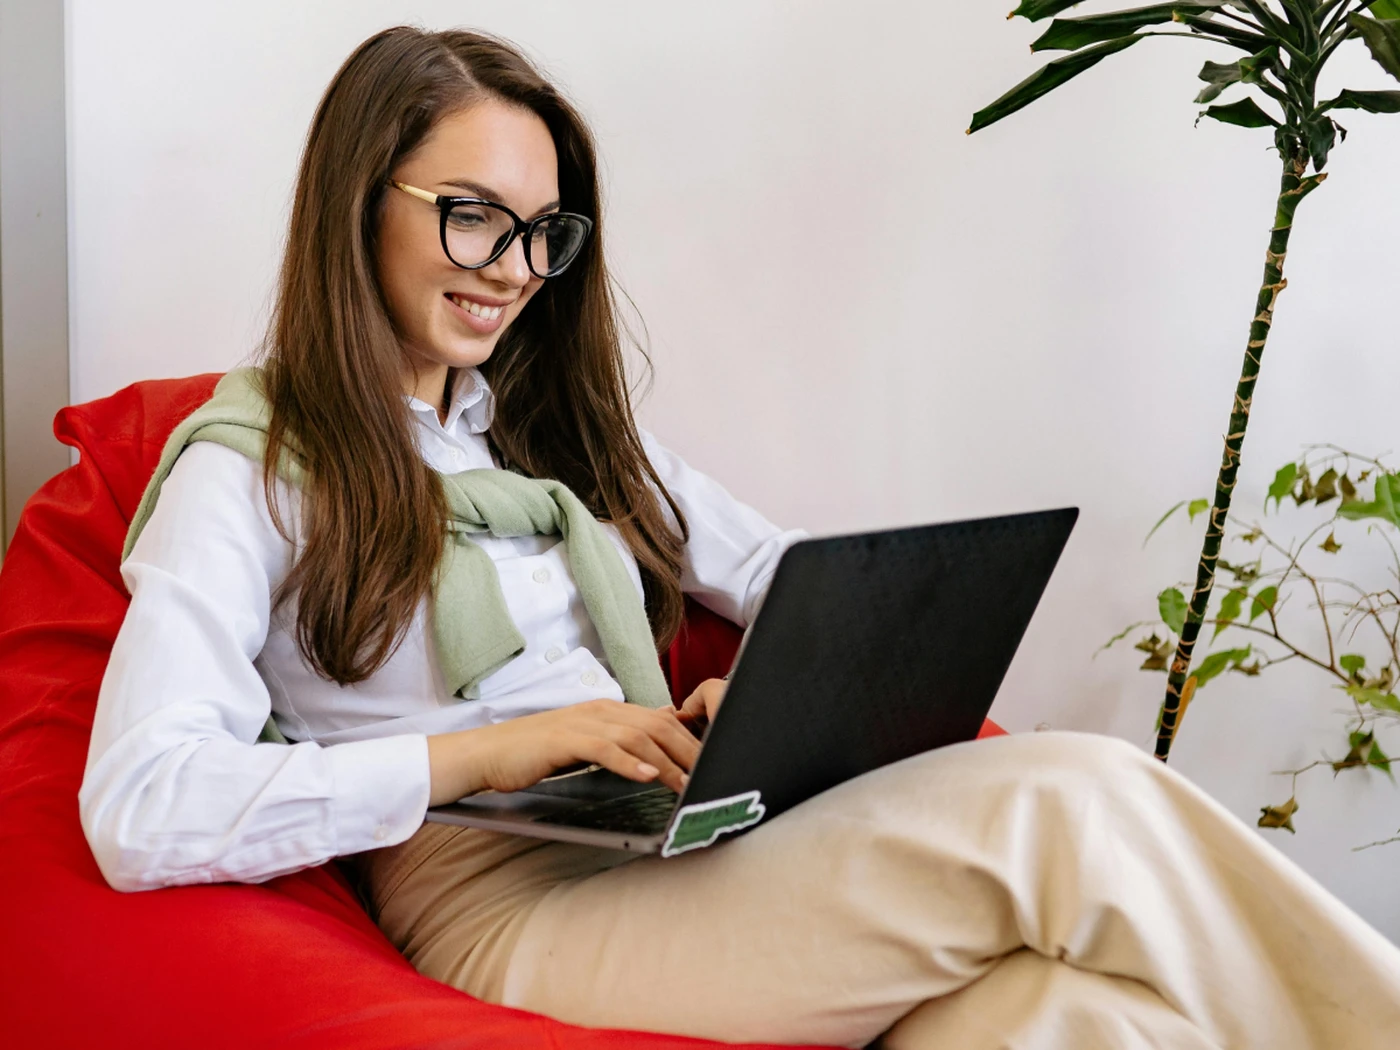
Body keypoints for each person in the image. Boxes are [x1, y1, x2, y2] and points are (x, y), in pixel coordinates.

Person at [78, 26, 1400, 1050]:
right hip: (504, 911)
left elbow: (789, 575)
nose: (510, 267)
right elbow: (137, 805)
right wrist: (494, 748)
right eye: (470, 213)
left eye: (542, 232)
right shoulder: (253, 467)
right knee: (1075, 797)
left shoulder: (555, 441)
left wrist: (768, 703)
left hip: (671, 842)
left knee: (1071, 1016)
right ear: (359, 197)